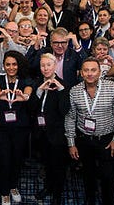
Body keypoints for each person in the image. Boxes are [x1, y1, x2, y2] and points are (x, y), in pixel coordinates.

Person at [65, 57, 114, 205]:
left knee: (107, 175)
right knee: (88, 173)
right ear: (81, 73)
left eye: (93, 70)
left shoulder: (112, 88)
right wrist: (71, 143)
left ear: (100, 72)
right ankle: (90, 198)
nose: (90, 73)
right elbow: (70, 118)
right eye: (86, 70)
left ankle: (108, 200)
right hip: (84, 139)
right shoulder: (74, 91)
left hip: (106, 140)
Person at [0, 51, 33, 205]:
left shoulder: (25, 80)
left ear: (18, 65)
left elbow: (28, 90)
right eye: (8, 64)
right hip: (1, 128)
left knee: (16, 159)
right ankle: (4, 192)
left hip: (20, 128)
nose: (11, 67)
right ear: (3, 65)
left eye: (14, 64)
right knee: (4, 159)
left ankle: (13, 186)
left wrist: (24, 97)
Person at [30, 53, 70, 204]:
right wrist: (39, 91)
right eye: (42, 65)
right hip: (41, 132)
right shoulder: (36, 83)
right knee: (46, 163)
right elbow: (32, 108)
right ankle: (48, 187)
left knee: (58, 166)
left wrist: (60, 91)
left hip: (57, 134)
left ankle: (57, 194)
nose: (45, 68)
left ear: (55, 66)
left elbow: (64, 110)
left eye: (48, 65)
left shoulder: (64, 85)